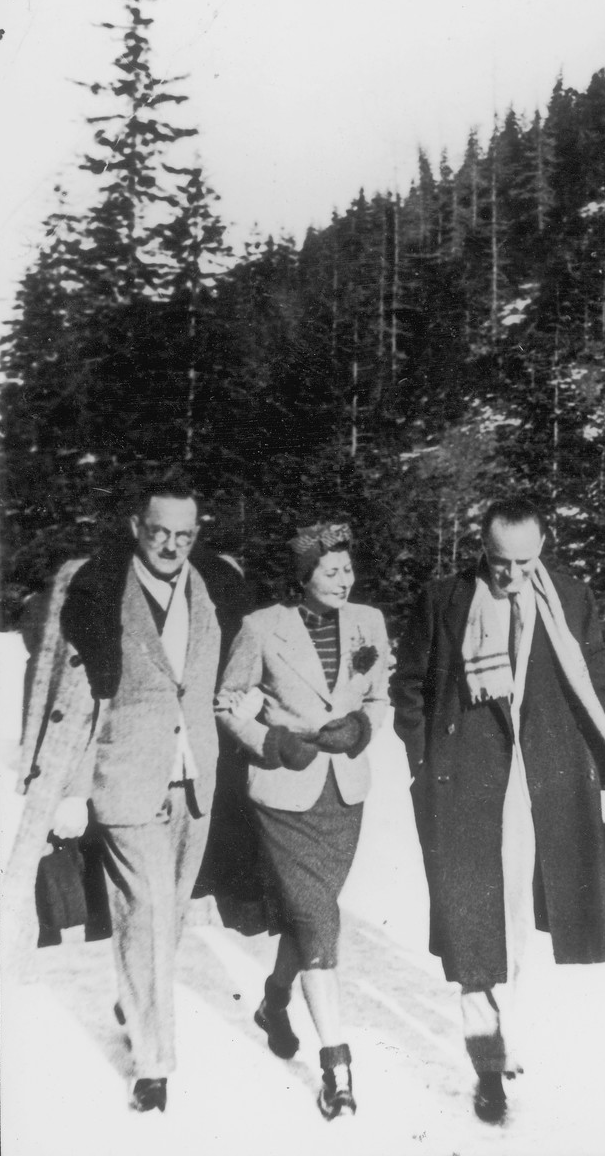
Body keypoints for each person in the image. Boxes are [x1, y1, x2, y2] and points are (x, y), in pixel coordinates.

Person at [391, 495, 605, 1124]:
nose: (508, 576)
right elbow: (411, 687)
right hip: (466, 784)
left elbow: (594, 685)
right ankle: (488, 1064)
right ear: (480, 547)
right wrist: (427, 765)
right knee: (471, 923)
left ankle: (505, 1036)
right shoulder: (444, 598)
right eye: (497, 561)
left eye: (522, 562)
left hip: (544, 781)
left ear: (544, 546)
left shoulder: (571, 598)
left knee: (524, 916)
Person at [40, 476, 249, 1113]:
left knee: (169, 913)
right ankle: (155, 1065)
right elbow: (77, 701)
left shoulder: (215, 588)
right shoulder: (101, 592)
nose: (170, 545)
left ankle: (135, 996)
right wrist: (71, 789)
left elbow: (237, 664)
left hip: (195, 778)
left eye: (183, 535)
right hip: (125, 777)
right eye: (159, 532)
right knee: (150, 909)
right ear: (137, 527)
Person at [214, 521, 390, 1121]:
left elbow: (379, 697)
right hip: (284, 795)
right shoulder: (260, 629)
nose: (347, 579)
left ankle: (274, 1000)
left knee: (308, 912)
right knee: (319, 918)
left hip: (344, 794)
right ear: (303, 573)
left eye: (349, 568)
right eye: (332, 569)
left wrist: (364, 727)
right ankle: (336, 1065)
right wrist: (270, 741)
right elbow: (225, 703)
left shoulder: (370, 622)